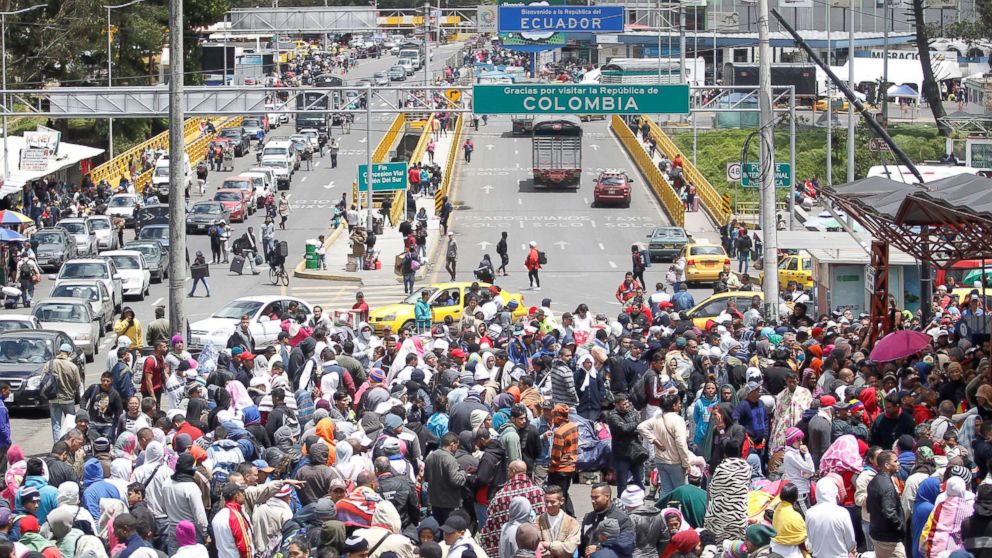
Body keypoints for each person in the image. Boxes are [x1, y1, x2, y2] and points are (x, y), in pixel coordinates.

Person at [866, 450, 906, 558]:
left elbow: (869, 506)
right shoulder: (886, 485)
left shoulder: (874, 480)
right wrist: (901, 528)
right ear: (887, 465)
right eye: (895, 461)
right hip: (889, 540)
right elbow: (889, 513)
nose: (898, 463)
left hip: (877, 534)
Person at [48, 343, 81, 443]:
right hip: (68, 399)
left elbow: (43, 379)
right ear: (69, 353)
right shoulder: (73, 367)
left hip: (53, 398)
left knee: (56, 424)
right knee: (71, 423)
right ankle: (71, 443)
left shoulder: (50, 364)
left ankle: (58, 445)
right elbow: (78, 383)